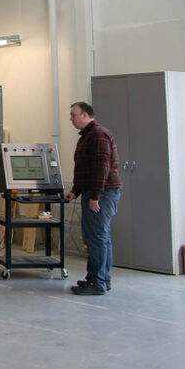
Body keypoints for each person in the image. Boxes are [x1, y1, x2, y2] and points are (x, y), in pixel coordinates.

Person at [64, 101, 122, 296]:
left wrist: (95, 196)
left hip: (102, 193)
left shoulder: (97, 135)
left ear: (85, 115)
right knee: (99, 237)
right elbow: (85, 169)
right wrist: (76, 191)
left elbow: (101, 168)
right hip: (94, 191)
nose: (71, 118)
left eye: (73, 114)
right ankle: (101, 279)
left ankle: (97, 281)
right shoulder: (88, 136)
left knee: (97, 237)